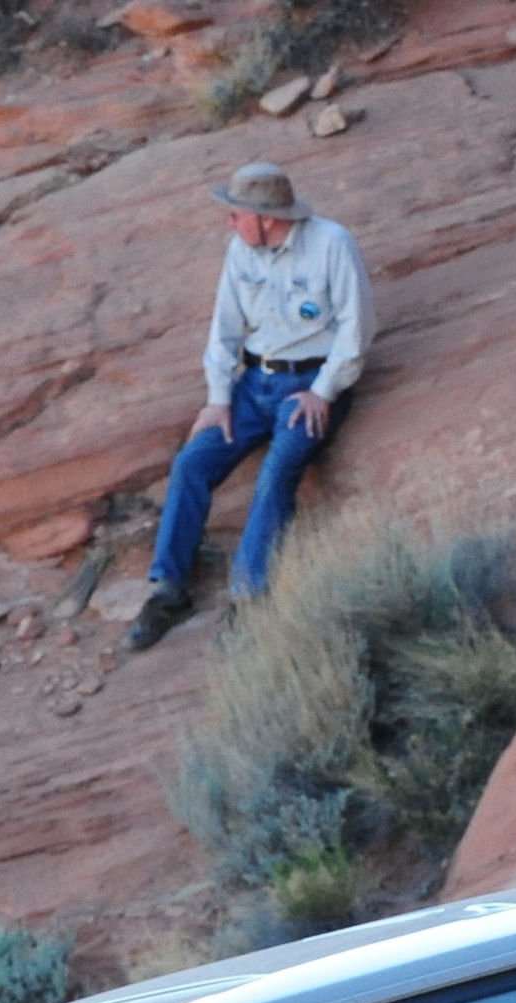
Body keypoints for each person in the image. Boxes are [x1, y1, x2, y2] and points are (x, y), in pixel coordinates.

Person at [123, 161, 373, 655]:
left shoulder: (331, 244)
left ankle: (248, 597)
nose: (230, 222)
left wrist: (324, 391)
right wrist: (219, 400)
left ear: (267, 218)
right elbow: (224, 331)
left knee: (276, 472)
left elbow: (356, 328)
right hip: (255, 384)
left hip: (311, 384)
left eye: (237, 214)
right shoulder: (241, 250)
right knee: (192, 463)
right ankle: (170, 590)